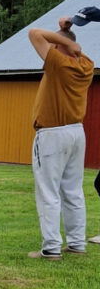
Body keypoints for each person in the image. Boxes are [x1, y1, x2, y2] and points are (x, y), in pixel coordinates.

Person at [27, 16, 94, 259]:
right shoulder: (86, 64)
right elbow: (69, 47)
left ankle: (51, 247)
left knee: (48, 191)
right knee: (73, 191)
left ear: (57, 46)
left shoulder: (57, 63)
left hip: (51, 134)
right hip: (76, 132)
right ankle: (76, 244)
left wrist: (65, 40)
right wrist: (67, 32)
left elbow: (35, 33)